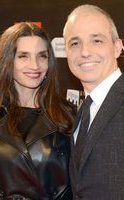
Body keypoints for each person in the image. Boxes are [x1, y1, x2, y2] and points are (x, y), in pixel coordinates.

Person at [0, 22, 75, 200]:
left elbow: (80, 186)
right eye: (23, 56)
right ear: (7, 61)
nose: (35, 65)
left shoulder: (67, 114)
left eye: (42, 56)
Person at [63, 4, 124, 200]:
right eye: (74, 43)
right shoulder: (84, 109)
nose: (85, 52)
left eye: (97, 40)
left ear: (117, 47)